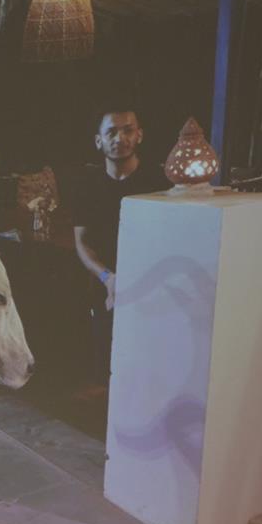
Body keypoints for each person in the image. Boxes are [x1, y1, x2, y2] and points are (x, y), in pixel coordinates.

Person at [72, 107, 168, 390]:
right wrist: (108, 277)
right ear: (98, 140)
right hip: (106, 282)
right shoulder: (88, 185)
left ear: (140, 135)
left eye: (128, 130)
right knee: (107, 363)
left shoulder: (159, 182)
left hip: (152, 282)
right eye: (111, 132)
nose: (120, 138)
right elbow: (82, 241)